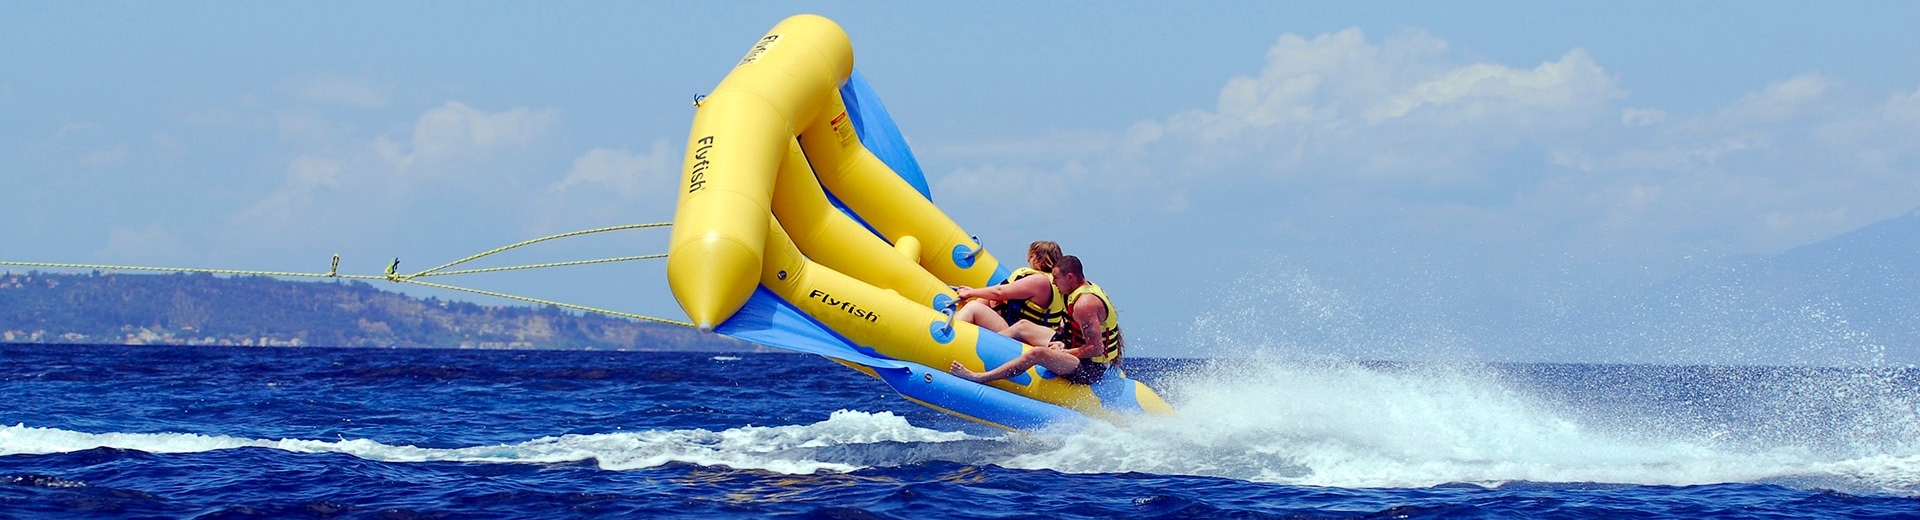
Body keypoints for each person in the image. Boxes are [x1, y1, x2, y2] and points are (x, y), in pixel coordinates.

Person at [950, 255, 1123, 385]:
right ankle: (979, 345)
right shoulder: (1076, 291)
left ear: (1070, 277)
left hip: (1088, 367)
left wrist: (1065, 353)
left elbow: (1095, 348)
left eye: (1056, 278)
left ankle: (980, 377)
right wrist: (1063, 343)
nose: (1053, 283)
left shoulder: (1085, 304)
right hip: (1071, 347)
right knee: (1024, 326)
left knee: (1036, 353)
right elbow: (1074, 329)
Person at [951, 240, 1066, 347]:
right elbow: (997, 289)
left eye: (1031, 256)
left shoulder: (1039, 280)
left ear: (1040, 259)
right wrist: (974, 292)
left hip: (1022, 338)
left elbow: (999, 292)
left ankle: (947, 335)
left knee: (974, 308)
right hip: (1033, 336)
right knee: (985, 300)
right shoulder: (1058, 284)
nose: (1028, 260)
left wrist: (970, 293)